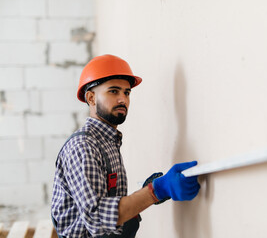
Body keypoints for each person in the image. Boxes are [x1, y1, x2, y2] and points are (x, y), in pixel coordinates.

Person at [51, 54, 201, 238]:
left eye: (127, 92)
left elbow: (109, 204)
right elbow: (98, 218)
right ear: (91, 98)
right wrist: (156, 190)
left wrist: (148, 191)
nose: (123, 99)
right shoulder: (84, 146)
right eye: (113, 91)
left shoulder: (107, 141)